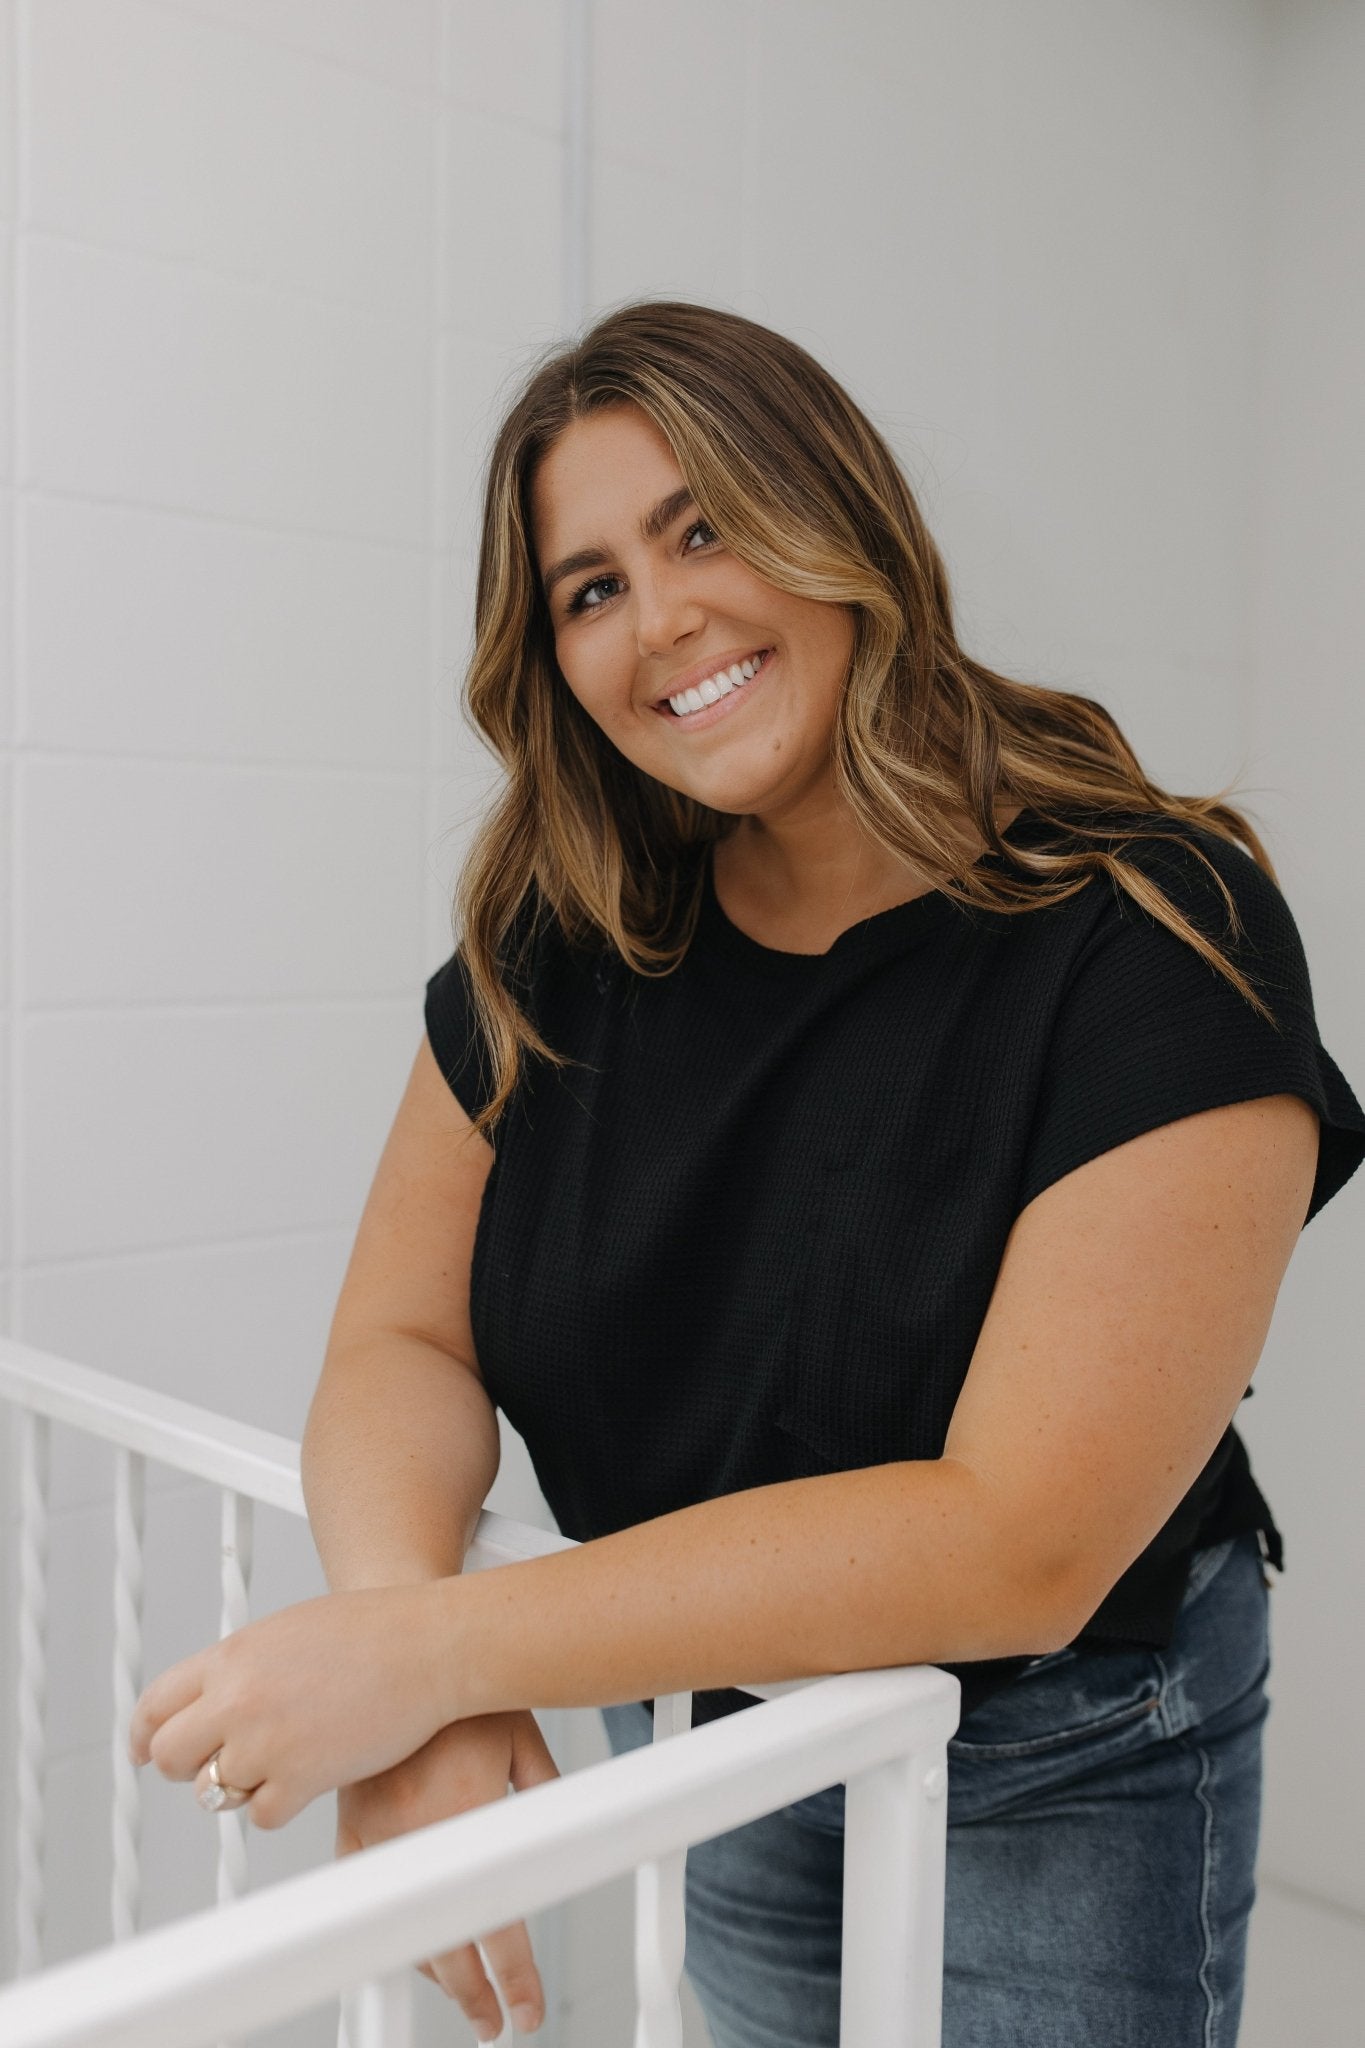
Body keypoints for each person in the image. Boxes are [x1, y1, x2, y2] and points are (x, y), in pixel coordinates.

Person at [130, 300, 1365, 2048]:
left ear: (835, 513)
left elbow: (1017, 1540)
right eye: (591, 587)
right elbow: (402, 1340)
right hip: (713, 1723)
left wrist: (431, 1661)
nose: (661, 619)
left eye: (701, 528)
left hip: (1058, 1751)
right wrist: (402, 1640)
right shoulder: (557, 941)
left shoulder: (1154, 929)